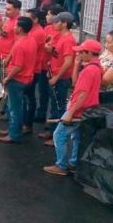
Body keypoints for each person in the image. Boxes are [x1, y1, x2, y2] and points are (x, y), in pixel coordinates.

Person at [43, 40, 103, 176]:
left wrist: (71, 113)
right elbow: (75, 83)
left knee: (59, 135)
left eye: (82, 52)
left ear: (89, 53)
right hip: (86, 109)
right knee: (76, 136)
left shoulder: (89, 71)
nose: (79, 54)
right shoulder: (97, 68)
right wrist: (76, 64)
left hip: (78, 109)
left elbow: (82, 94)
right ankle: (73, 162)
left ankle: (61, 166)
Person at [0, 17, 37, 143]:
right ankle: (12, 130)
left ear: (19, 28)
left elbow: (18, 67)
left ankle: (14, 134)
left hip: (18, 80)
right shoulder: (30, 40)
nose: (13, 27)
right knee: (17, 107)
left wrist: (7, 78)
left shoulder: (20, 44)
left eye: (15, 26)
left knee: (14, 109)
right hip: (27, 78)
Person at [39, 12, 76, 146]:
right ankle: (52, 131)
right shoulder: (61, 37)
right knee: (54, 106)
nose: (54, 24)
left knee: (59, 107)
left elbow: (68, 62)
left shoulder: (68, 40)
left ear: (64, 23)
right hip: (54, 75)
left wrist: (56, 77)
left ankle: (58, 137)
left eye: (57, 22)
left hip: (60, 79)